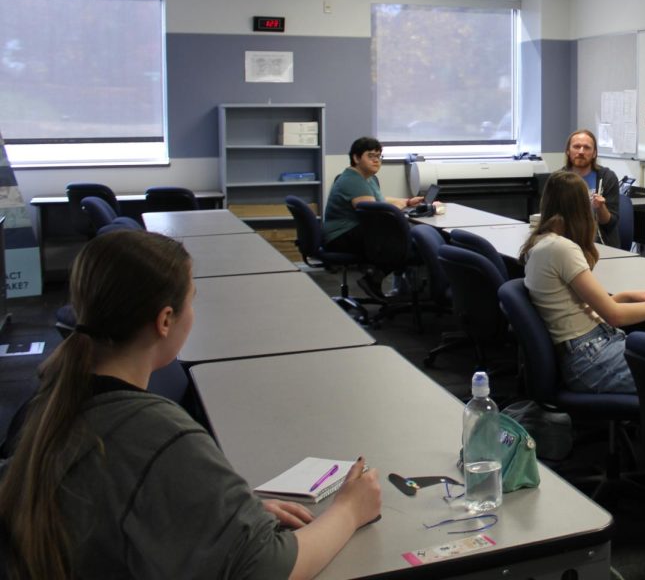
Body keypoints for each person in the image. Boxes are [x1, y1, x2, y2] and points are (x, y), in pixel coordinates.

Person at [0, 230, 382, 580]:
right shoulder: (159, 435)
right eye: (191, 301)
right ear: (165, 320)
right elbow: (268, 569)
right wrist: (349, 509)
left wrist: (217, 513)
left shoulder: (48, 399)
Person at [520, 171, 645, 393]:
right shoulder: (561, 248)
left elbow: (573, 309)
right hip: (590, 358)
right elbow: (614, 316)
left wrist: (625, 296)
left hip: (587, 350)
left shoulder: (541, 243)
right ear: (579, 207)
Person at [324, 136, 423, 297]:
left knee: (406, 240)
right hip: (340, 236)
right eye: (371, 156)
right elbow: (374, 213)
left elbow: (381, 201)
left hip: (350, 231)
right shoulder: (353, 180)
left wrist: (407, 202)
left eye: (379, 156)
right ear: (356, 158)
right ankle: (374, 279)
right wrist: (398, 213)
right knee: (405, 243)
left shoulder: (365, 178)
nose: (376, 161)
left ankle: (380, 279)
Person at [563, 129, 621, 248]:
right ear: (568, 151)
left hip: (600, 244)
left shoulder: (607, 178)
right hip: (566, 243)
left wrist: (600, 208)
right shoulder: (558, 179)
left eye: (587, 147)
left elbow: (609, 224)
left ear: (594, 153)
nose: (581, 151)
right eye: (576, 146)